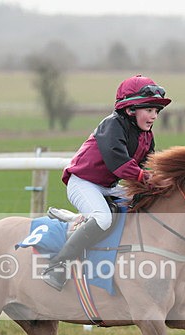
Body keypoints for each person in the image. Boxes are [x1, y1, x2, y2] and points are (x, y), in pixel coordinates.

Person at [42, 75, 171, 291]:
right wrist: (147, 178)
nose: (154, 116)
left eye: (156, 111)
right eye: (149, 110)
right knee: (103, 218)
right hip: (83, 183)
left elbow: (148, 164)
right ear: (130, 109)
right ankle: (58, 266)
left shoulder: (147, 136)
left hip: (107, 186)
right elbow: (119, 164)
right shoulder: (112, 126)